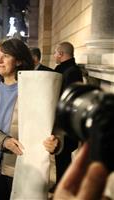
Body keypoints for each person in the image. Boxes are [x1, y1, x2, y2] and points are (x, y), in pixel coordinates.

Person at [0, 38, 59, 200]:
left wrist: (56, 142)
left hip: (21, 167)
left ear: (19, 60)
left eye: (5, 56)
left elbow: (55, 126)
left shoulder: (35, 88)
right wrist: (3, 141)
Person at [53, 41, 83, 189]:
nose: (54, 56)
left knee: (63, 156)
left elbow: (70, 98)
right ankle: (61, 184)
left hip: (66, 123)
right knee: (60, 156)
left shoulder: (71, 71)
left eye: (55, 53)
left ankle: (63, 186)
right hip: (63, 122)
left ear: (60, 53)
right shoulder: (66, 69)